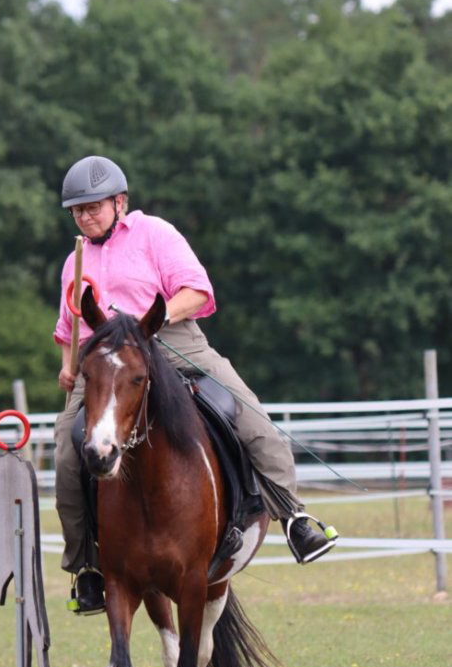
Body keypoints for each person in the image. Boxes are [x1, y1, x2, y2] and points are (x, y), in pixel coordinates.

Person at [54, 155, 336, 613]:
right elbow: (70, 333)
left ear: (119, 202)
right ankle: (86, 567)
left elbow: (197, 291)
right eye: (78, 210)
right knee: (66, 452)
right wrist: (68, 367)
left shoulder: (155, 234)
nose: (86, 216)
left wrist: (152, 321)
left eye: (94, 207)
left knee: (250, 417)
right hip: (107, 366)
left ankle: (294, 517)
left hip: (173, 342)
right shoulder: (74, 261)